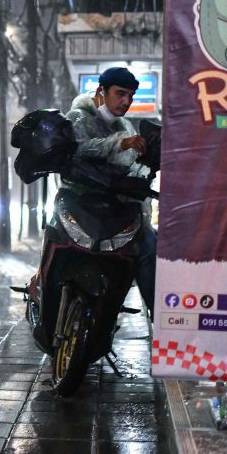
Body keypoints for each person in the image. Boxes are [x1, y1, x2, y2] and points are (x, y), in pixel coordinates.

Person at [63, 66, 156, 314]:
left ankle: (159, 316)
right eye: (120, 93)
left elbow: (128, 165)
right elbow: (78, 149)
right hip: (78, 203)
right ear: (100, 92)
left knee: (149, 246)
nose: (126, 101)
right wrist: (120, 143)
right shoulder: (78, 118)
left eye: (131, 96)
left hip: (115, 208)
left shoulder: (123, 124)